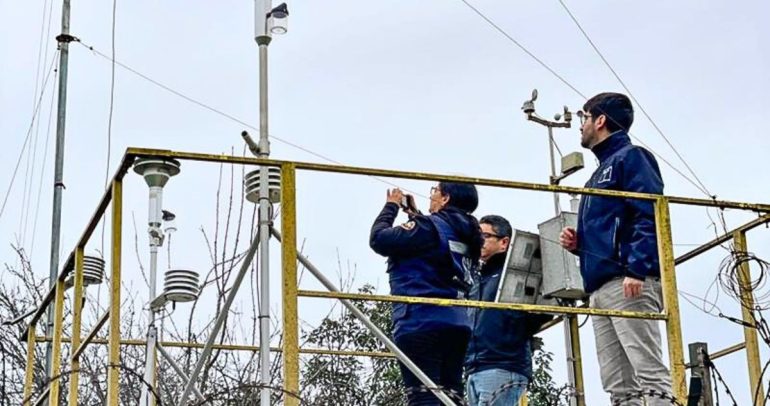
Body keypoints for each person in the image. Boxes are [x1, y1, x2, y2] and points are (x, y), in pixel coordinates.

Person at [559, 92, 671, 405]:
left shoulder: (631, 157)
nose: (580, 125)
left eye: (584, 117)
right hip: (602, 284)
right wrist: (580, 245)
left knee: (647, 371)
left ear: (600, 120)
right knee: (617, 382)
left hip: (629, 282)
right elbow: (617, 225)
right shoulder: (600, 171)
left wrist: (637, 268)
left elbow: (647, 212)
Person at [370, 182, 483, 405]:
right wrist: (416, 215)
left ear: (446, 198)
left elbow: (379, 239)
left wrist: (391, 207)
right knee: (450, 394)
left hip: (421, 319)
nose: (431, 196)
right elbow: (438, 250)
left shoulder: (427, 228)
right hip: (458, 322)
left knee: (423, 394)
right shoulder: (470, 233)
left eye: (435, 192)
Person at [465, 215, 553, 406]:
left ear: (504, 242)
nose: (479, 240)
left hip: (502, 364)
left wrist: (513, 328)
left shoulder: (518, 276)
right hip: (476, 366)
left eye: (485, 235)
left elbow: (544, 310)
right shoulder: (477, 279)